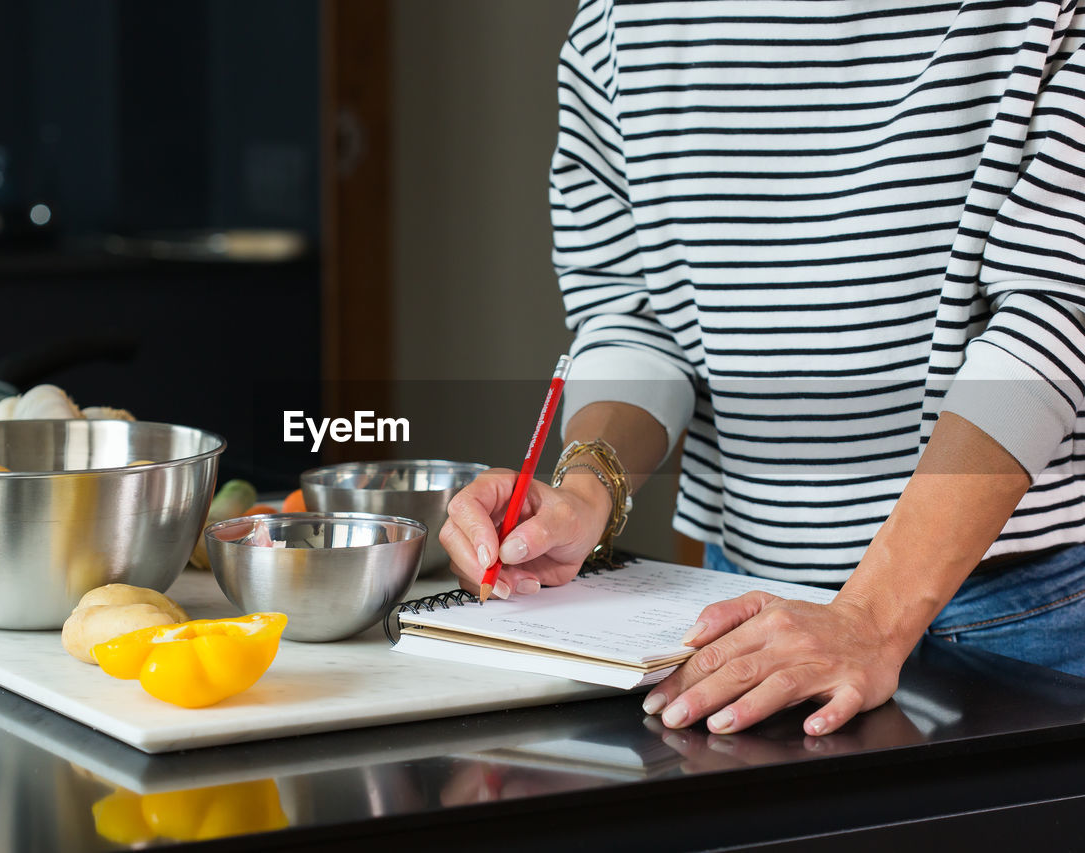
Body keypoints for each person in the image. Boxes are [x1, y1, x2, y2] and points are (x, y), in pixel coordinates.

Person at [439, 0, 1085, 737]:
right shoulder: (617, 21)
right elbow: (636, 313)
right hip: (744, 603)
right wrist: (587, 491)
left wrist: (873, 614)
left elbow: (1056, 312)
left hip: (1016, 612)